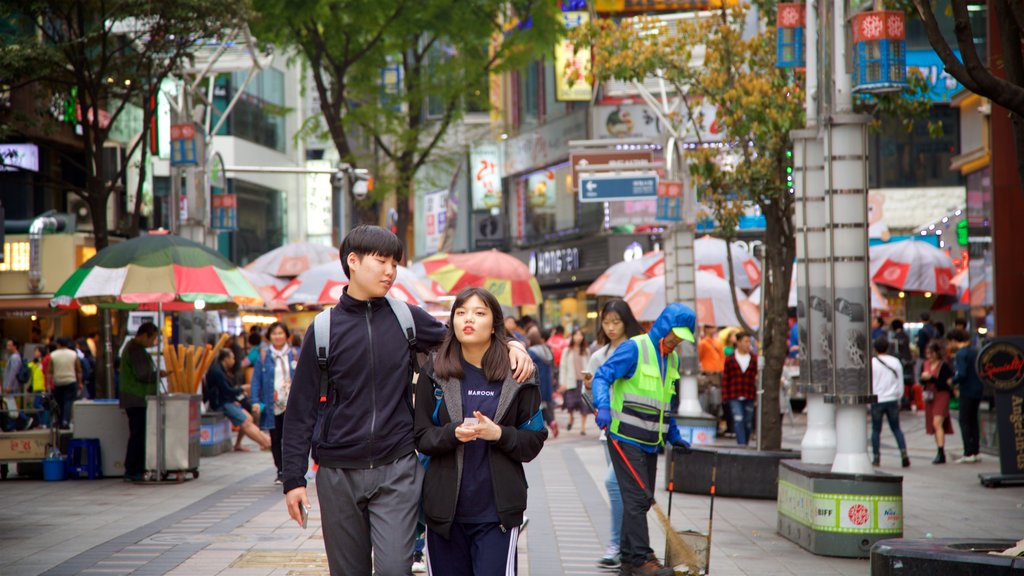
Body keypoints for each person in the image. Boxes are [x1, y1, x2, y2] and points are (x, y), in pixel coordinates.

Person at [281, 225, 533, 576]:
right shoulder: (323, 329)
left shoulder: (406, 318)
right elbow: (300, 410)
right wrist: (293, 479)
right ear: (353, 262)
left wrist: (512, 344)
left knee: (394, 569)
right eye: (381, 261)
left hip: (397, 467)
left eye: (394, 263)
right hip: (337, 472)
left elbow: (464, 339)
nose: (390, 271)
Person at [414, 287, 547, 575]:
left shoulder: (520, 373)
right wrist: (452, 434)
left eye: (479, 312)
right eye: (460, 313)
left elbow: (534, 439)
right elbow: (421, 436)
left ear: (495, 322)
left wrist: (498, 434)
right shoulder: (435, 371)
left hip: (497, 514)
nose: (468, 319)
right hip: (444, 514)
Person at [592, 303, 696, 576]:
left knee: (638, 499)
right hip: (624, 436)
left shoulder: (671, 359)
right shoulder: (635, 348)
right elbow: (602, 376)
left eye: (683, 338)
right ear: (664, 327)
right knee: (638, 497)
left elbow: (665, 401)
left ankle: (630, 558)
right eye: (675, 335)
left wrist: (674, 435)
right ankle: (640, 558)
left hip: (651, 441)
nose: (677, 342)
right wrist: (602, 406)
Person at [585, 299, 646, 571]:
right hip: (609, 433)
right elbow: (588, 397)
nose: (610, 327)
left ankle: (618, 545)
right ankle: (626, 547)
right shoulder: (598, 356)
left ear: (626, 322)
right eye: (606, 322)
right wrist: (588, 389)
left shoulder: (638, 350)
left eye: (616, 322)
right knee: (622, 490)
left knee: (614, 484)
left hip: (634, 431)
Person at [251, 322, 297, 484]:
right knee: (275, 438)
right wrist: (255, 400)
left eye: (280, 333)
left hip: (292, 403)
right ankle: (280, 470)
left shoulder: (294, 354)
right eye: (274, 333)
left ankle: (292, 470)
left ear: (286, 335)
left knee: (291, 438)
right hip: (273, 404)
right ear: (269, 337)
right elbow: (256, 380)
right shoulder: (264, 356)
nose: (277, 336)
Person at [119, 323, 161, 481]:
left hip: (136, 398)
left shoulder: (135, 348)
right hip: (136, 398)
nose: (153, 342)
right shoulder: (135, 349)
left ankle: (136, 468)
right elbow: (143, 374)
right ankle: (132, 469)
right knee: (138, 435)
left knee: (138, 434)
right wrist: (158, 374)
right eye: (153, 338)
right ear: (144, 335)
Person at [206, 348, 271, 450]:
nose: (234, 360)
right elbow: (227, 390)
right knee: (245, 422)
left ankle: (239, 444)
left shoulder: (222, 370)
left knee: (249, 418)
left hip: (228, 401)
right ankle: (265, 443)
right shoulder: (217, 372)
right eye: (232, 358)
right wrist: (242, 388)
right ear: (226, 359)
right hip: (221, 404)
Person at [870, 338, 910, 468]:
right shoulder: (895, 362)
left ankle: (876, 457)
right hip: (892, 399)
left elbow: (869, 383)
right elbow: (900, 382)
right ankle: (903, 453)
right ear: (888, 348)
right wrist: (899, 397)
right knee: (896, 428)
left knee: (876, 430)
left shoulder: (872, 363)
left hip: (877, 400)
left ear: (875, 349)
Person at [950, 330, 983, 463]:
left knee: (964, 420)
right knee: (973, 420)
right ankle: (976, 450)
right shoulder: (975, 352)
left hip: (967, 390)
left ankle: (968, 451)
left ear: (953, 340)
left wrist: (953, 381)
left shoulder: (960, 354)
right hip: (978, 389)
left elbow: (962, 373)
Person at [920, 340, 954, 464]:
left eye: (931, 353)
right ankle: (939, 450)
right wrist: (923, 379)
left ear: (937, 353)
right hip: (929, 396)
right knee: (934, 425)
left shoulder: (944, 366)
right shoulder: (925, 364)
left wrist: (932, 378)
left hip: (941, 395)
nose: (929, 356)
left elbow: (946, 384)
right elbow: (921, 381)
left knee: (937, 423)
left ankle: (941, 452)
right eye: (927, 353)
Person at [721, 332, 758, 446]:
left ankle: (745, 442)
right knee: (738, 419)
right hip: (734, 394)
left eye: (749, 342)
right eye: (746, 341)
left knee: (747, 422)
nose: (748, 344)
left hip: (749, 393)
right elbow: (726, 377)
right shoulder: (730, 359)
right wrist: (724, 395)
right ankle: (741, 444)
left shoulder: (753, 358)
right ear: (738, 342)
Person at [527, 326, 559, 438]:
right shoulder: (547, 349)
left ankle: (541, 428)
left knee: (537, 407)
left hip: (537, 384)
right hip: (547, 383)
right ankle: (551, 422)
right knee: (544, 406)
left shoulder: (531, 352)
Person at [559, 328, 590, 435]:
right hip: (571, 382)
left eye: (580, 335)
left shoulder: (586, 351)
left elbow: (590, 366)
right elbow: (563, 367)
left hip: (583, 382)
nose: (578, 337)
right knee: (570, 404)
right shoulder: (567, 351)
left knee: (584, 405)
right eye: (576, 335)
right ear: (572, 336)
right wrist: (563, 383)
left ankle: (583, 428)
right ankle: (571, 418)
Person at [48, 338, 82, 429]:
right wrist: (80, 382)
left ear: (58, 344)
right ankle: (65, 421)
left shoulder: (53, 355)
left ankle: (59, 421)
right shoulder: (73, 354)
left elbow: (50, 371)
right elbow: (78, 370)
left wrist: (49, 383)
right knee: (68, 401)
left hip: (58, 381)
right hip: (71, 380)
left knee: (59, 402)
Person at [697, 324, 725, 427]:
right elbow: (699, 357)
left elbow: (722, 358)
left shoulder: (719, 342)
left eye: (713, 327)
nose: (713, 329)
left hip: (717, 375)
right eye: (709, 327)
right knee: (705, 400)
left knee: (716, 402)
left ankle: (715, 423)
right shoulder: (703, 343)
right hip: (707, 375)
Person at [889, 319, 915, 411]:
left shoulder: (896, 337)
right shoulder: (906, 336)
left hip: (901, 362)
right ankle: (909, 402)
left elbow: (895, 351)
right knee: (908, 383)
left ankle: (903, 402)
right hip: (908, 362)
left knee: (901, 382)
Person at [28, 346, 48, 428]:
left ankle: (44, 423)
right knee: (37, 405)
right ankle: (42, 423)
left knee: (38, 404)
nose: (34, 353)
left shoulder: (44, 361)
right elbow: (29, 366)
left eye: (36, 351)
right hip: (36, 387)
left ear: (40, 352)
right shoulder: (35, 363)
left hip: (42, 387)